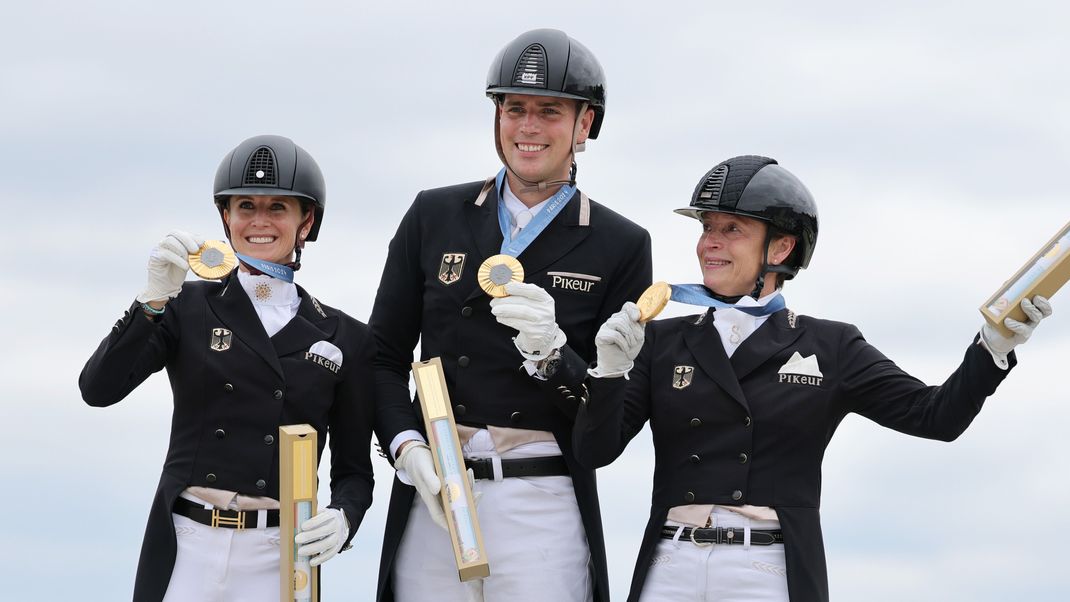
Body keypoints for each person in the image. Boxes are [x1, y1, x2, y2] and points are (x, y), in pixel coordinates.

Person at [575, 155, 1054, 601]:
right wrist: (609, 373)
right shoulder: (659, 340)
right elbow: (596, 452)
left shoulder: (831, 346)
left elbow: (936, 417)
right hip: (672, 564)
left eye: (732, 229)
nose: (709, 243)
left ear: (782, 246)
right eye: (707, 228)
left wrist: (993, 348)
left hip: (767, 570)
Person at [370, 28, 652, 602]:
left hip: (541, 497)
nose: (527, 127)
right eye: (513, 108)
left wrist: (555, 357)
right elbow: (382, 355)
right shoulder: (434, 213)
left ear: (585, 125)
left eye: (549, 111)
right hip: (436, 487)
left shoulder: (621, 243)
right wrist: (404, 445)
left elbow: (608, 428)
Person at [79, 135, 376, 602]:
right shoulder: (186, 306)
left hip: (280, 551)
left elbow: (355, 469)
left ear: (306, 221)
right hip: (188, 543)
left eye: (278, 207)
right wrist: (151, 301)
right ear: (226, 217)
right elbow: (99, 388)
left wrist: (345, 515)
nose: (259, 221)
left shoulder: (345, 336)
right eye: (246, 207)